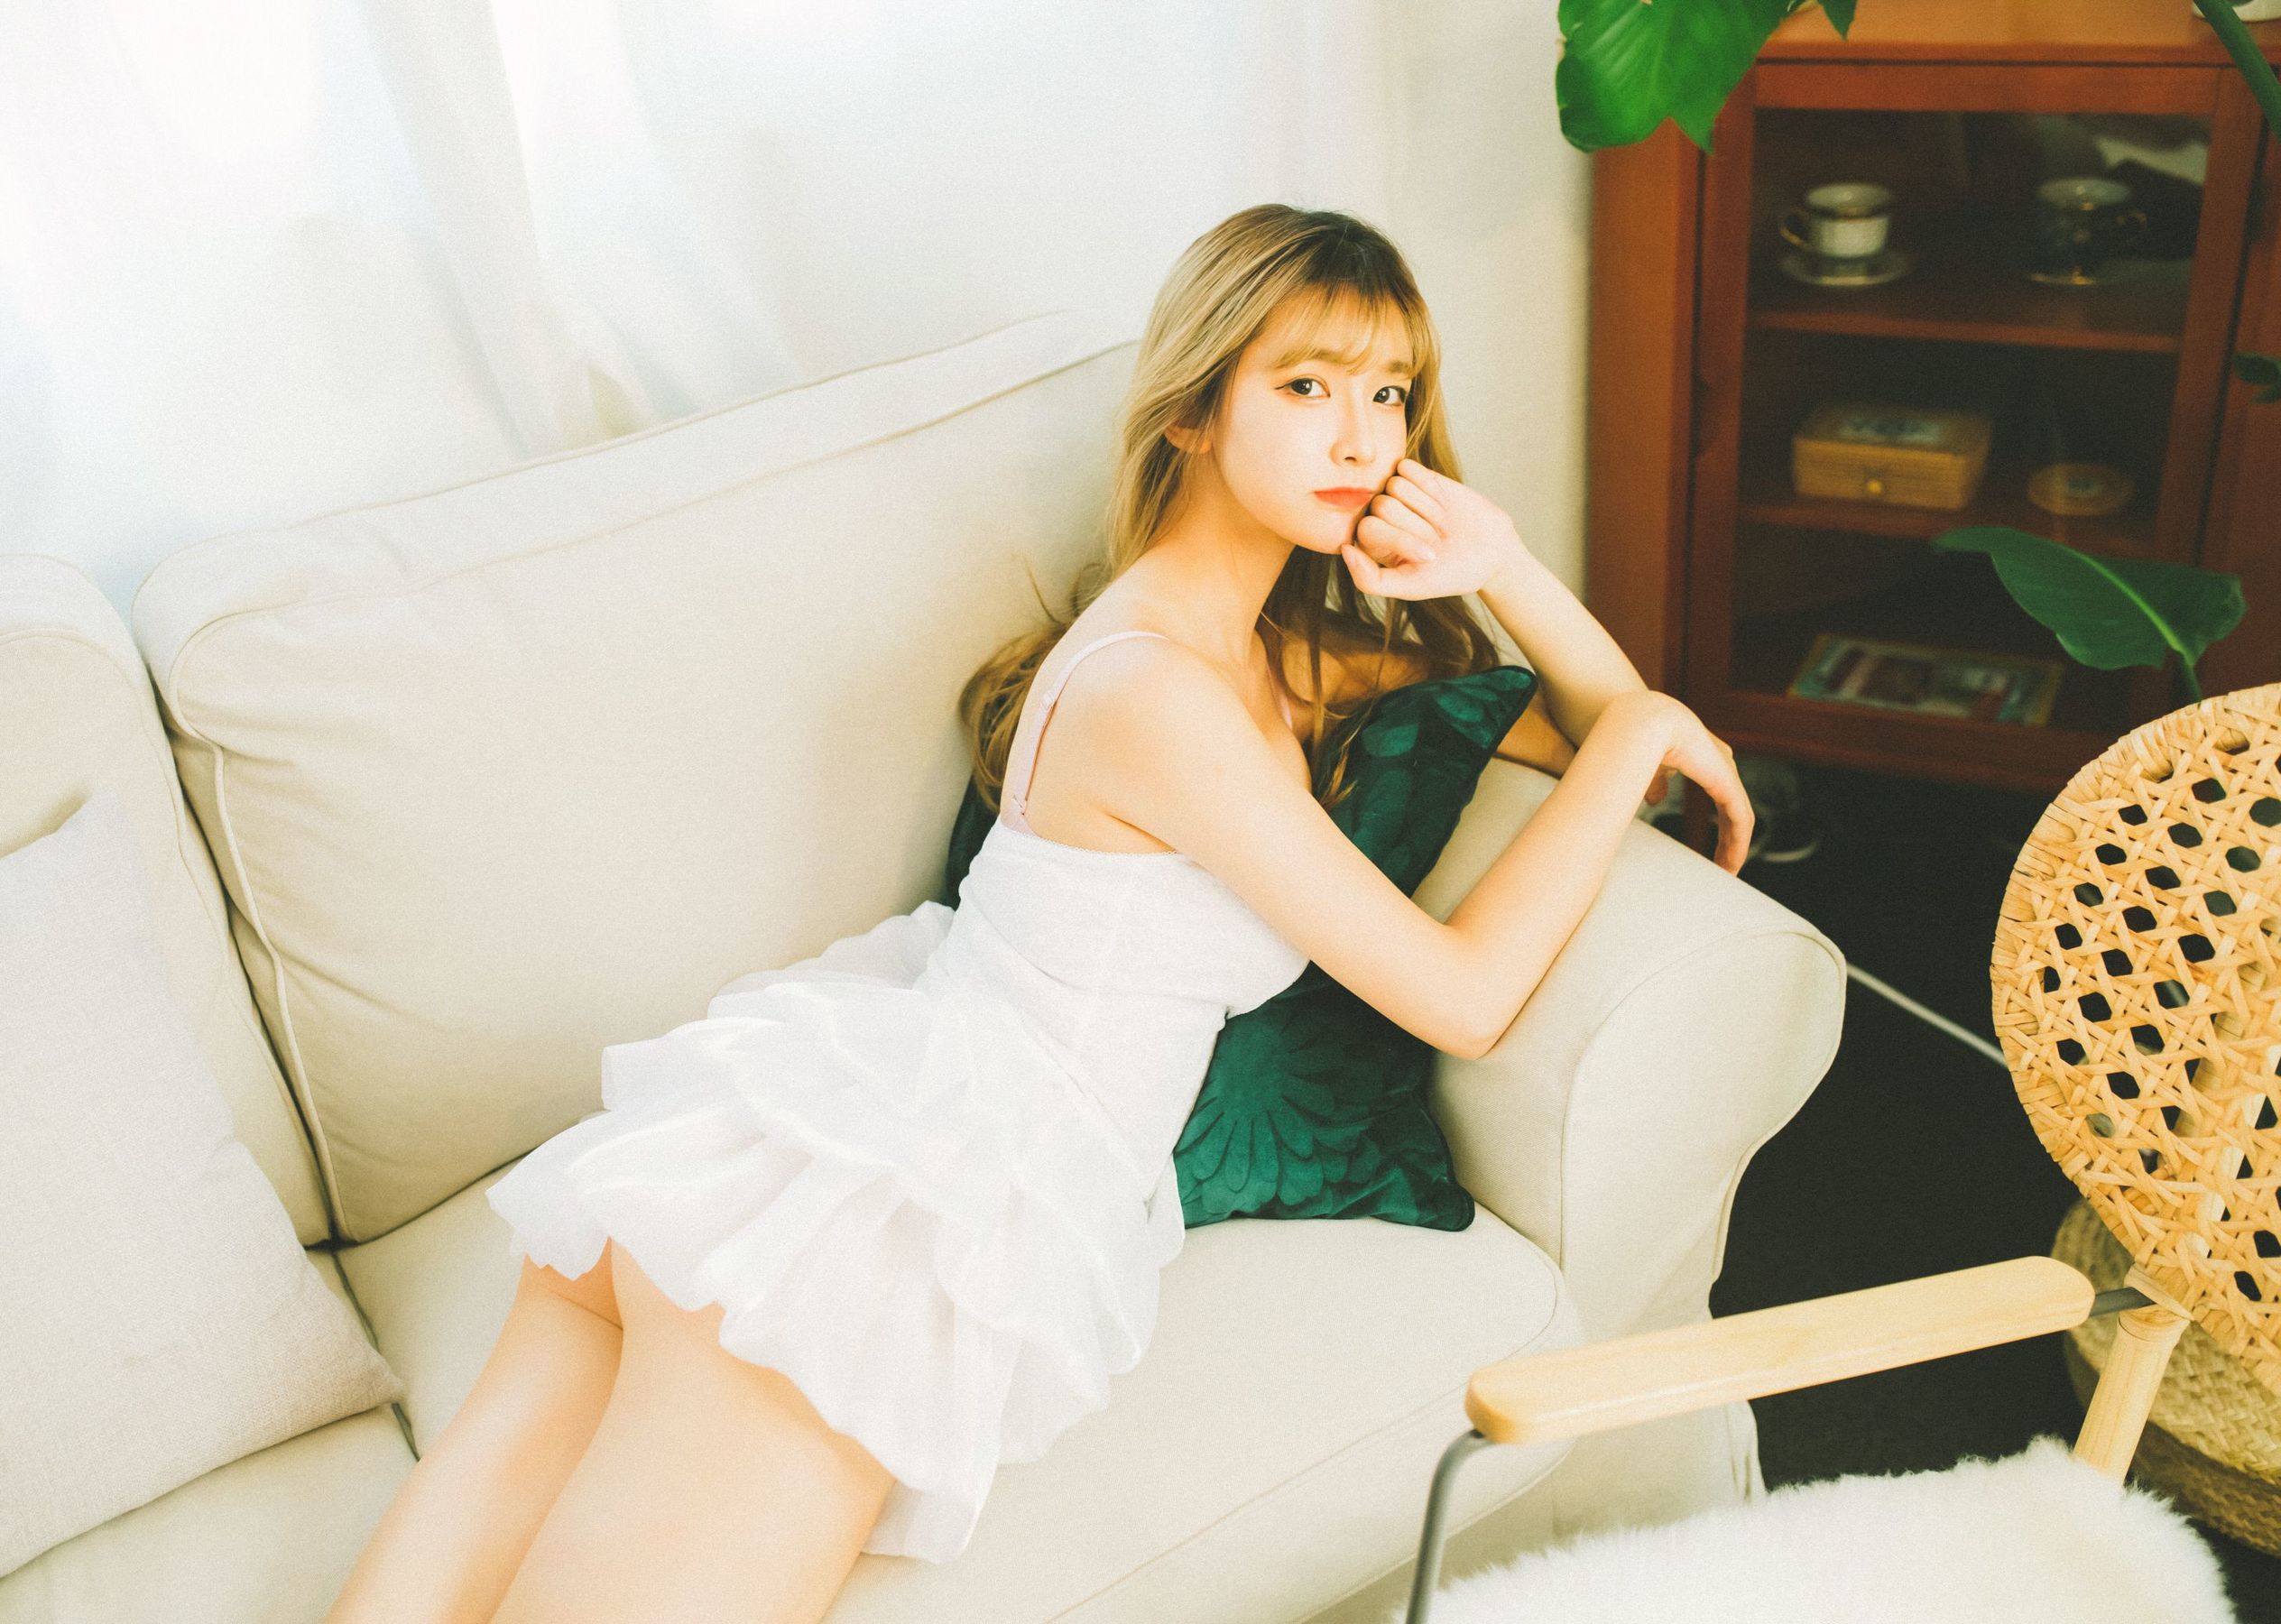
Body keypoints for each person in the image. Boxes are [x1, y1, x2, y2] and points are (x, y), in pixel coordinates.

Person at [324, 202, 1751, 1624]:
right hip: (898, 1203)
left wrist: (1503, 565)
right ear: (1192, 411)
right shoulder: (1158, 694)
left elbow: (1593, 727)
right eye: (1307, 386)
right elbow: (1466, 991)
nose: (1362, 440)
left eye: (1390, 395)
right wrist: (1646, 730)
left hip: (848, 1120)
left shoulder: (1274, 655)